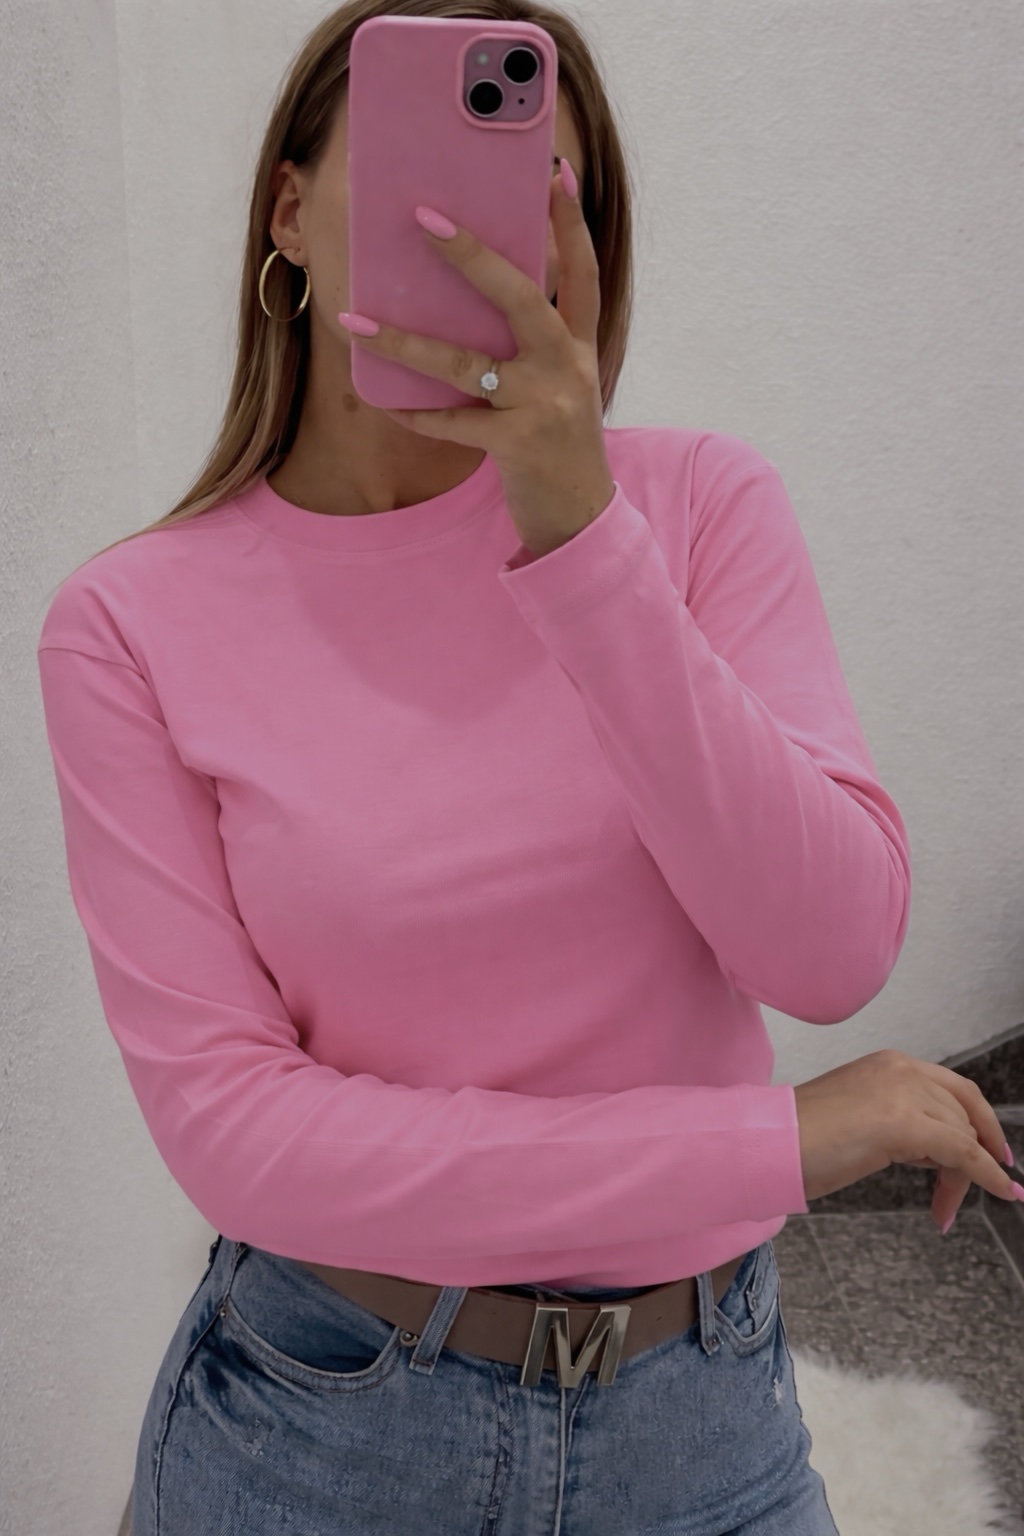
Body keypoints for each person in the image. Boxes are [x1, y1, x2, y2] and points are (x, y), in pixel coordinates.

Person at [37, 3, 912, 1531]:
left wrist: (582, 541)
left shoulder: (698, 510)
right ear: (289, 212)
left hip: (703, 1418)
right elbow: (245, 1140)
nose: (468, 235)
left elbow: (829, 952)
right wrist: (772, 1143)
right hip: (319, 1428)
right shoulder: (126, 625)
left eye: (529, 191)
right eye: (418, 181)